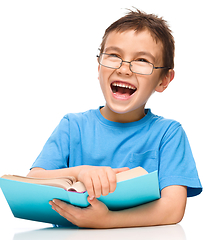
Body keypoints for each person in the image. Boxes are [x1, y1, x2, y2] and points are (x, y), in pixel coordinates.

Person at [27, 8, 202, 228]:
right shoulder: (73, 126)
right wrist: (80, 172)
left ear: (163, 80)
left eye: (141, 60)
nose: (124, 69)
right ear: (99, 66)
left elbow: (173, 208)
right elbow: (32, 180)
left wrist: (108, 220)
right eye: (114, 56)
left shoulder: (169, 134)